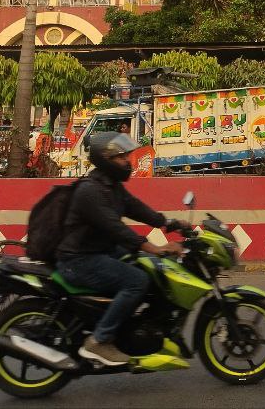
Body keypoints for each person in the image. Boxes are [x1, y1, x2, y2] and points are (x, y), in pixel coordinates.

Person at [57, 132, 184, 367]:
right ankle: (99, 340)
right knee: (137, 280)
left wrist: (168, 223)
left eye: (127, 155)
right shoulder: (90, 191)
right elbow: (117, 229)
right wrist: (154, 248)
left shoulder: (110, 185)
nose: (128, 161)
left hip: (98, 251)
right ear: (106, 159)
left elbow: (135, 207)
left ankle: (130, 325)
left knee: (147, 266)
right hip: (79, 260)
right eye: (122, 157)